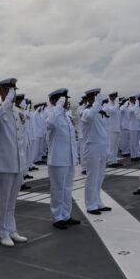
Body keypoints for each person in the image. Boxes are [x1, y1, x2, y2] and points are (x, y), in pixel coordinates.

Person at [0, 78, 28, 247]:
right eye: (8, 91)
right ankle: (2, 232)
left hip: (17, 163)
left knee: (12, 202)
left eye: (13, 91)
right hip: (4, 164)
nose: (12, 94)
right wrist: (6, 101)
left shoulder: (17, 112)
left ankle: (12, 230)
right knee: (2, 201)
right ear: (1, 92)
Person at [46, 89, 81, 229]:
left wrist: (75, 157)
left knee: (67, 189)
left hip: (69, 158)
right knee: (57, 189)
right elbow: (50, 123)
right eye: (63, 100)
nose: (66, 103)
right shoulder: (51, 113)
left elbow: (71, 139)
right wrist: (58, 106)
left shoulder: (66, 115)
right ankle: (57, 217)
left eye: (66, 100)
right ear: (55, 101)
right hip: (57, 159)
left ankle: (66, 215)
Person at [81, 88, 111, 215]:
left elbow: (105, 132)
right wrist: (97, 103)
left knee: (100, 177)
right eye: (94, 97)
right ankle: (90, 205)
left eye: (98, 97)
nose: (98, 100)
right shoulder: (86, 112)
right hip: (92, 147)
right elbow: (90, 116)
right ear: (89, 99)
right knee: (92, 177)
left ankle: (98, 202)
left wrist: (107, 148)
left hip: (102, 147)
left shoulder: (100, 112)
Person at [104, 92, 122, 167]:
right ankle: (110, 161)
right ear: (111, 97)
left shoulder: (115, 105)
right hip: (111, 128)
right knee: (111, 146)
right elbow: (112, 111)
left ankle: (115, 160)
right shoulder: (107, 105)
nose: (115, 98)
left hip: (117, 127)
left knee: (116, 146)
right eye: (114, 97)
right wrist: (117, 104)